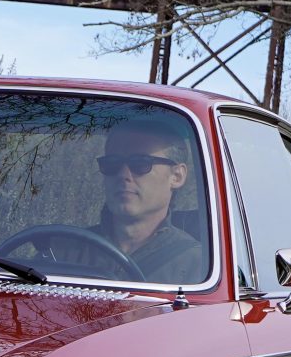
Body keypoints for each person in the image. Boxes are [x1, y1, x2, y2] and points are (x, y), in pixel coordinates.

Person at [86, 114, 209, 284]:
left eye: (141, 163)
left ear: (177, 176)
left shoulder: (200, 268)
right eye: (112, 163)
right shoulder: (60, 253)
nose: (123, 175)